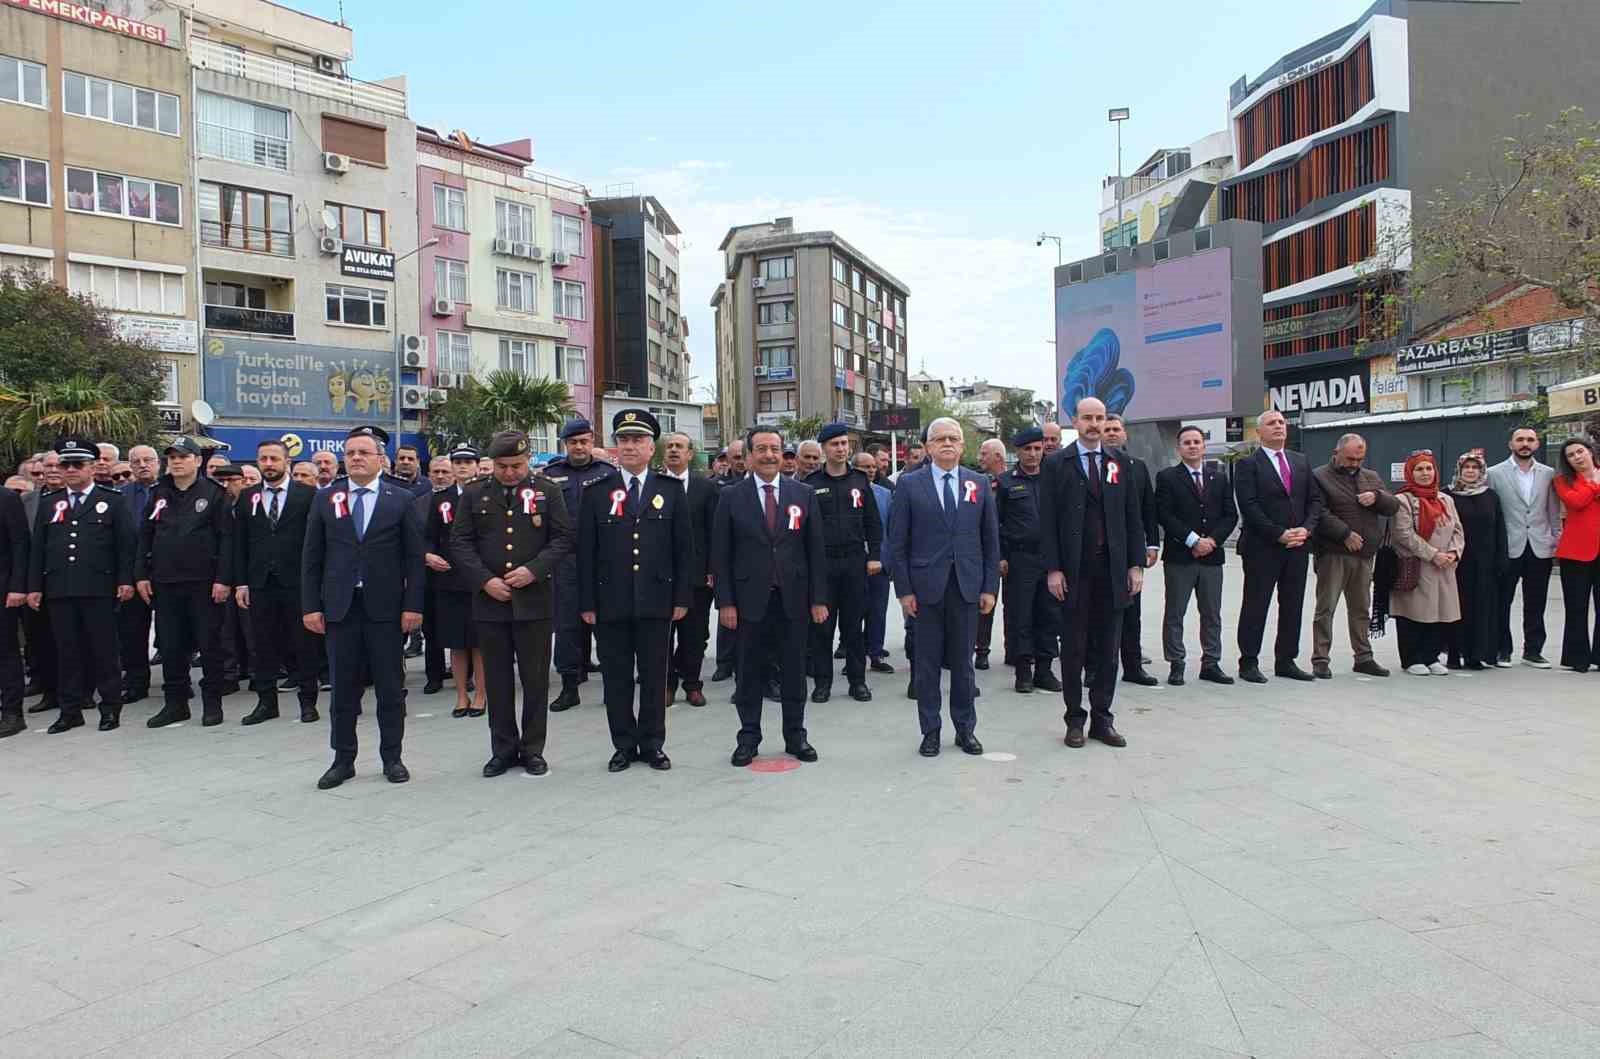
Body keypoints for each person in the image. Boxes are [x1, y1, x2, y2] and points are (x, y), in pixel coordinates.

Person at [303, 425, 426, 789]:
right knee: (343, 690)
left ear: (380, 460)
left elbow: (414, 558)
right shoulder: (327, 498)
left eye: (363, 453)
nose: (355, 458)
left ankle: (393, 757)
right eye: (350, 453)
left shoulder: (399, 498)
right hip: (341, 609)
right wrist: (310, 606)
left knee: (390, 688)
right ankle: (343, 759)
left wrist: (413, 606)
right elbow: (312, 557)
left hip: (385, 610)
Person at [452, 430, 572, 777]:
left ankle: (533, 749)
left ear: (528, 460)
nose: (509, 472)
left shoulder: (547, 491)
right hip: (491, 603)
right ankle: (502, 749)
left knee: (535, 680)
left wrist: (533, 571)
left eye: (517, 465)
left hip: (534, 601)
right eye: (503, 466)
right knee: (499, 680)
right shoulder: (475, 493)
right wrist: (484, 580)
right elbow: (460, 542)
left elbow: (563, 537)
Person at [577, 410, 690, 771]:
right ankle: (623, 744)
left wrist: (682, 598)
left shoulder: (670, 490)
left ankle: (653, 743)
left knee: (655, 677)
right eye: (623, 440)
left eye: (637, 440)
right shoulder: (596, 492)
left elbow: (683, 549)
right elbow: (585, 553)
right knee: (617, 677)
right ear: (614, 446)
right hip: (611, 600)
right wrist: (587, 601)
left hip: (657, 600)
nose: (629, 446)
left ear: (650, 447)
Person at [712, 426, 828, 766]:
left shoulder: (803, 494)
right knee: (749, 673)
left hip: (793, 599)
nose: (769, 455)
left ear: (782, 454)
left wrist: (818, 599)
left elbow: (815, 551)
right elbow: (721, 555)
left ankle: (796, 736)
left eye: (775, 449)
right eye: (761, 449)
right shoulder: (731, 496)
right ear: (748, 456)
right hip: (748, 601)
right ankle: (748, 737)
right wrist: (726, 602)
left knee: (794, 671)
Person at [887, 417, 997, 757]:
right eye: (939, 439)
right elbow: (897, 542)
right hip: (924, 590)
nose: (947, 443)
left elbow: (990, 541)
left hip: (966, 587)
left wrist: (989, 587)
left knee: (963, 665)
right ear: (928, 447)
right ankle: (930, 731)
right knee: (927, 665)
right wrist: (904, 590)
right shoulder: (908, 485)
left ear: (963, 446)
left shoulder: (978, 483)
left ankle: (965, 730)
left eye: (953, 438)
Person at [1041, 398, 1144, 749]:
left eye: (1100, 418)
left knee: (1108, 649)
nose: (1094, 424)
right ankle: (1074, 719)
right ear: (1075, 421)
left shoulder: (1120, 463)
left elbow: (1133, 518)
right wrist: (1053, 568)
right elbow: (1048, 522)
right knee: (1074, 649)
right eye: (1087, 418)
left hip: (1112, 571)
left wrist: (1135, 564)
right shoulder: (1057, 464)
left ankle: (1103, 718)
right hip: (1074, 572)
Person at [26, 438, 134, 733]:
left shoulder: (111, 499)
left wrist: (125, 579)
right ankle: (70, 710)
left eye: (77, 464)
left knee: (104, 651)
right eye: (65, 464)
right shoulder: (51, 503)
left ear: (91, 467)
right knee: (67, 652)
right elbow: (39, 548)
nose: (70, 470)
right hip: (60, 587)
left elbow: (126, 546)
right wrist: (35, 586)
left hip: (99, 587)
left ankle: (110, 708)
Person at [135, 436, 234, 728]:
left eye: (183, 456)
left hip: (203, 582)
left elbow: (226, 540)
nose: (176, 461)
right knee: (172, 645)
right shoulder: (159, 493)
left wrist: (223, 579)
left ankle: (213, 703)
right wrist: (141, 573)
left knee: (209, 644)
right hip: (165, 582)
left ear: (197, 461)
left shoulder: (214, 493)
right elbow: (145, 536)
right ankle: (175, 704)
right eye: (172, 457)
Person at [1233, 409, 1324, 683]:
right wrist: (1278, 534)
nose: (1278, 427)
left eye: (1282, 423)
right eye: (1271, 423)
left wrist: (1306, 530)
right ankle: (1248, 661)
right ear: (1259, 432)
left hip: (1297, 546)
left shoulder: (1300, 461)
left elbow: (1315, 501)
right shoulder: (1248, 465)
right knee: (1256, 604)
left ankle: (1286, 659)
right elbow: (1249, 506)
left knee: (1293, 604)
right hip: (1263, 547)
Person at [233, 438, 319, 725]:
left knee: (303, 644)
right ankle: (266, 703)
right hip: (260, 582)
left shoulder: (307, 495)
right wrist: (241, 582)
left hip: (297, 582)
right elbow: (240, 543)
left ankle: (308, 702)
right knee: (263, 645)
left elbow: (316, 542)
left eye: (273, 459)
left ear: (287, 463)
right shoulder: (248, 497)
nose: (268, 464)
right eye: (263, 459)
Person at [802, 423, 881, 704]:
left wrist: (874, 556)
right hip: (823, 565)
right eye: (834, 444)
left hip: (854, 562)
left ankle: (857, 681)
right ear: (823, 449)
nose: (841, 449)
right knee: (822, 628)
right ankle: (823, 682)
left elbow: (873, 521)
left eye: (845, 444)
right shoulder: (811, 484)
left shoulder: (860, 481)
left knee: (853, 627)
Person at [1310, 433, 1399, 679]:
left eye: (1360, 459)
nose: (1355, 463)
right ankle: (1320, 659)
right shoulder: (1319, 477)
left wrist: (1377, 497)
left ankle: (1363, 657)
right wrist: (1344, 533)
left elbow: (1393, 506)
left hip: (1365, 553)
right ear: (1336, 452)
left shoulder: (1370, 477)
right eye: (1350, 458)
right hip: (1333, 553)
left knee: (1361, 608)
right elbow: (1318, 512)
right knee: (1326, 608)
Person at [1154, 425, 1238, 686]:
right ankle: (1176, 663)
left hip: (1211, 557)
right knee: (1175, 612)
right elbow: (1164, 514)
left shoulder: (1219, 477)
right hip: (1181, 556)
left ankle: (1211, 663)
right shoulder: (1167, 477)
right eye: (1187, 442)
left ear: (1204, 446)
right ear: (1179, 448)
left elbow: (1230, 515)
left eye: (1196, 442)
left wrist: (1212, 540)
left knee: (1212, 613)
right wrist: (1192, 539)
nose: (1192, 446)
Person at [541, 418, 615, 713]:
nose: (579, 447)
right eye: (573, 442)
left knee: (607, 625)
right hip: (566, 561)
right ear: (565, 445)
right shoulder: (550, 476)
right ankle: (569, 687)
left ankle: (613, 686)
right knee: (567, 626)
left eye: (584, 441)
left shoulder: (608, 473)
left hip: (602, 560)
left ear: (591, 441)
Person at [1487, 427, 1562, 668]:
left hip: (1539, 545)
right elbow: (1492, 513)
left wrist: (1553, 537)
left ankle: (1533, 651)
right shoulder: (1494, 473)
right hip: (1508, 546)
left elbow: (1552, 509)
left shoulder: (1548, 474)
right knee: (1502, 600)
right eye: (1520, 440)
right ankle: (1502, 650)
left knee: (1536, 602)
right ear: (1511, 444)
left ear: (1537, 444)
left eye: (1530, 440)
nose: (1525, 444)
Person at [996, 427, 1062, 693]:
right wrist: (1000, 556)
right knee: (1020, 614)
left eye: (1038, 448)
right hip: (1019, 557)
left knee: (1050, 615)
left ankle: (1044, 670)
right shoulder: (1005, 482)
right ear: (1018, 452)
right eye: (1028, 449)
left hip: (1051, 558)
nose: (1033, 454)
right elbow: (995, 523)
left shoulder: (1056, 477)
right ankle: (1023, 670)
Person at [1098, 414, 1160, 686]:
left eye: (1116, 429)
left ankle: (1133, 667)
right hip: (1099, 552)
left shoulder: (1137, 467)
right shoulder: (1091, 466)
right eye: (1107, 429)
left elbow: (1147, 509)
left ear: (1125, 434)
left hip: (1129, 552)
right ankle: (1094, 668)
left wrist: (1152, 543)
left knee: (1131, 612)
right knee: (1096, 613)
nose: (1112, 433)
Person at [1390, 452, 1464, 676]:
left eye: (1428, 469)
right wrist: (1433, 554)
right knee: (1414, 612)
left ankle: (1431, 656)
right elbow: (1403, 533)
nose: (1425, 473)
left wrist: (1453, 553)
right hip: (1418, 564)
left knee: (1440, 611)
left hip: (1444, 566)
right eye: (1419, 469)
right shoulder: (1402, 500)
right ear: (1410, 473)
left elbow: (1458, 529)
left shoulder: (1445, 499)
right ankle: (1412, 658)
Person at [423, 449, 485, 716]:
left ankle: (481, 694)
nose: (462, 467)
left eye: (467, 462)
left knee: (480, 642)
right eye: (457, 462)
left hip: (479, 580)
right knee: (456, 643)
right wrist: (428, 556)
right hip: (448, 579)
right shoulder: (442, 499)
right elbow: (428, 536)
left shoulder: (488, 495)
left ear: (476, 466)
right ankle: (461, 695)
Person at [661, 431, 719, 708]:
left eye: (679, 447)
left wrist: (712, 569)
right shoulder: (653, 485)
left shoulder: (706, 488)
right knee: (662, 635)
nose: (673, 450)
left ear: (690, 454)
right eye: (670, 446)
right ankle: (667, 684)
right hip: (660, 576)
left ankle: (693, 684)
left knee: (694, 635)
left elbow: (714, 532)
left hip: (697, 576)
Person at [1446, 453, 1507, 671]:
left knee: (1481, 609)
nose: (1470, 471)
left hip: (1485, 564)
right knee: (1456, 608)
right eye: (1466, 467)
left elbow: (1500, 529)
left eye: (1475, 467)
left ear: (1482, 471)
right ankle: (1454, 653)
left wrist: (1502, 559)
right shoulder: (1447, 495)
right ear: (1459, 470)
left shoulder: (1491, 496)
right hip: (1457, 562)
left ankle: (1476, 654)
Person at [1552, 436, 1600, 672]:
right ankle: (1576, 658)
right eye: (1571, 455)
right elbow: (1577, 502)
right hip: (1576, 553)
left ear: (1590, 452)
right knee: (1576, 606)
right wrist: (1595, 486)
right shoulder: (1562, 481)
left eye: (1580, 451)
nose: (1577, 457)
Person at [118, 444, 159, 705]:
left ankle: (180, 681)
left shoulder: (172, 490)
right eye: (137, 461)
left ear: (158, 463)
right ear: (130, 466)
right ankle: (136, 682)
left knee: (173, 631)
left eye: (148, 460)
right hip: (134, 572)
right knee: (133, 631)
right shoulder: (120, 496)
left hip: (169, 571)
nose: (143, 465)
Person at [856, 451, 895, 673]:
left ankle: (876, 653)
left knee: (878, 611)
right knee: (855, 612)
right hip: (854, 563)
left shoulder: (885, 494)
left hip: (879, 563)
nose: (871, 471)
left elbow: (890, 529)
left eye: (873, 467)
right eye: (865, 467)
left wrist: (887, 561)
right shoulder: (849, 493)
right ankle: (855, 654)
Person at [974, 438, 1008, 671]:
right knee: (985, 603)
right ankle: (982, 650)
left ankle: (1016, 650)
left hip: (1014, 553)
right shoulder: (978, 484)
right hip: (986, 554)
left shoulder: (1013, 482)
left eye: (984, 453)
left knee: (1016, 607)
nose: (979, 458)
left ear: (998, 456)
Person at [0, 480, 30, 738]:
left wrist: (18, 586)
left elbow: (20, 545)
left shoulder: (7, 498)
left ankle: (12, 713)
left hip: (3, 590)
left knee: (6, 651)